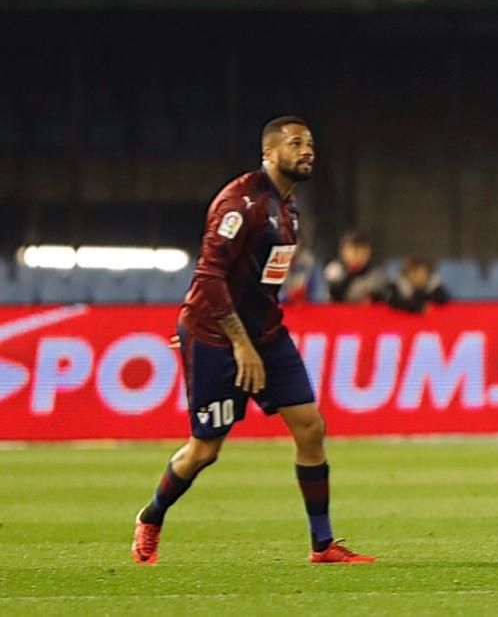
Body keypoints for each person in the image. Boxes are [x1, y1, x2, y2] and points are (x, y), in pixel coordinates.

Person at [130, 116, 374, 565]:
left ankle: (322, 545)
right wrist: (237, 343)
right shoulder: (240, 203)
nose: (307, 151)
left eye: (311, 144)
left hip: (266, 333)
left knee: (310, 428)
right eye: (296, 143)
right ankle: (151, 516)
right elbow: (209, 275)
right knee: (205, 449)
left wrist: (260, 338)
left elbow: (265, 280)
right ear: (269, 152)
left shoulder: (290, 208)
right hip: (216, 337)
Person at [323, 231, 386, 303]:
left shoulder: (376, 274)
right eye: (351, 251)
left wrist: (373, 297)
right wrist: (349, 274)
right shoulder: (334, 269)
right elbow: (334, 296)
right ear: (342, 252)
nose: (356, 257)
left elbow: (382, 296)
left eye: (361, 252)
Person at [384, 257, 450, 313]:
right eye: (413, 272)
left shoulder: (433, 284)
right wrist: (417, 307)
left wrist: (422, 290)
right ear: (406, 273)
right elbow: (392, 302)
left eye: (420, 272)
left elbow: (443, 299)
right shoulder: (396, 284)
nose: (417, 276)